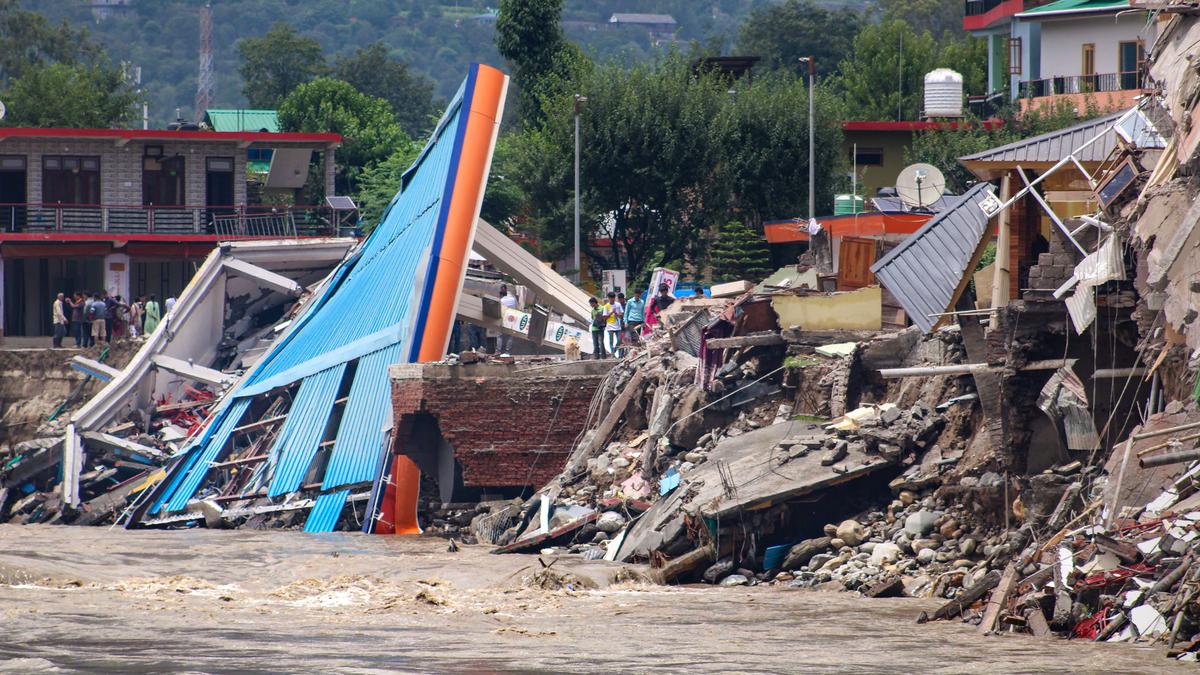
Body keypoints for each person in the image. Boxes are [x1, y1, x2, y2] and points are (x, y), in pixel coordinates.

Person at [498, 284, 517, 355]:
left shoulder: (501, 300)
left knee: (500, 335)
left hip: (504, 319)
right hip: (512, 319)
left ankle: (499, 351)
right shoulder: (513, 298)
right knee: (510, 336)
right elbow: (517, 308)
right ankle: (507, 352)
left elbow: (499, 310)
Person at [604, 290, 623, 356]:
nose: (612, 299)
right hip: (610, 326)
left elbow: (621, 314)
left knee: (619, 340)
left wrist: (616, 313)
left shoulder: (618, 304)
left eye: (613, 298)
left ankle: (617, 353)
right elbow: (605, 317)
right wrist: (611, 312)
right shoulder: (606, 306)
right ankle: (613, 354)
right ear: (608, 298)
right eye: (611, 298)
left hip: (618, 326)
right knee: (611, 341)